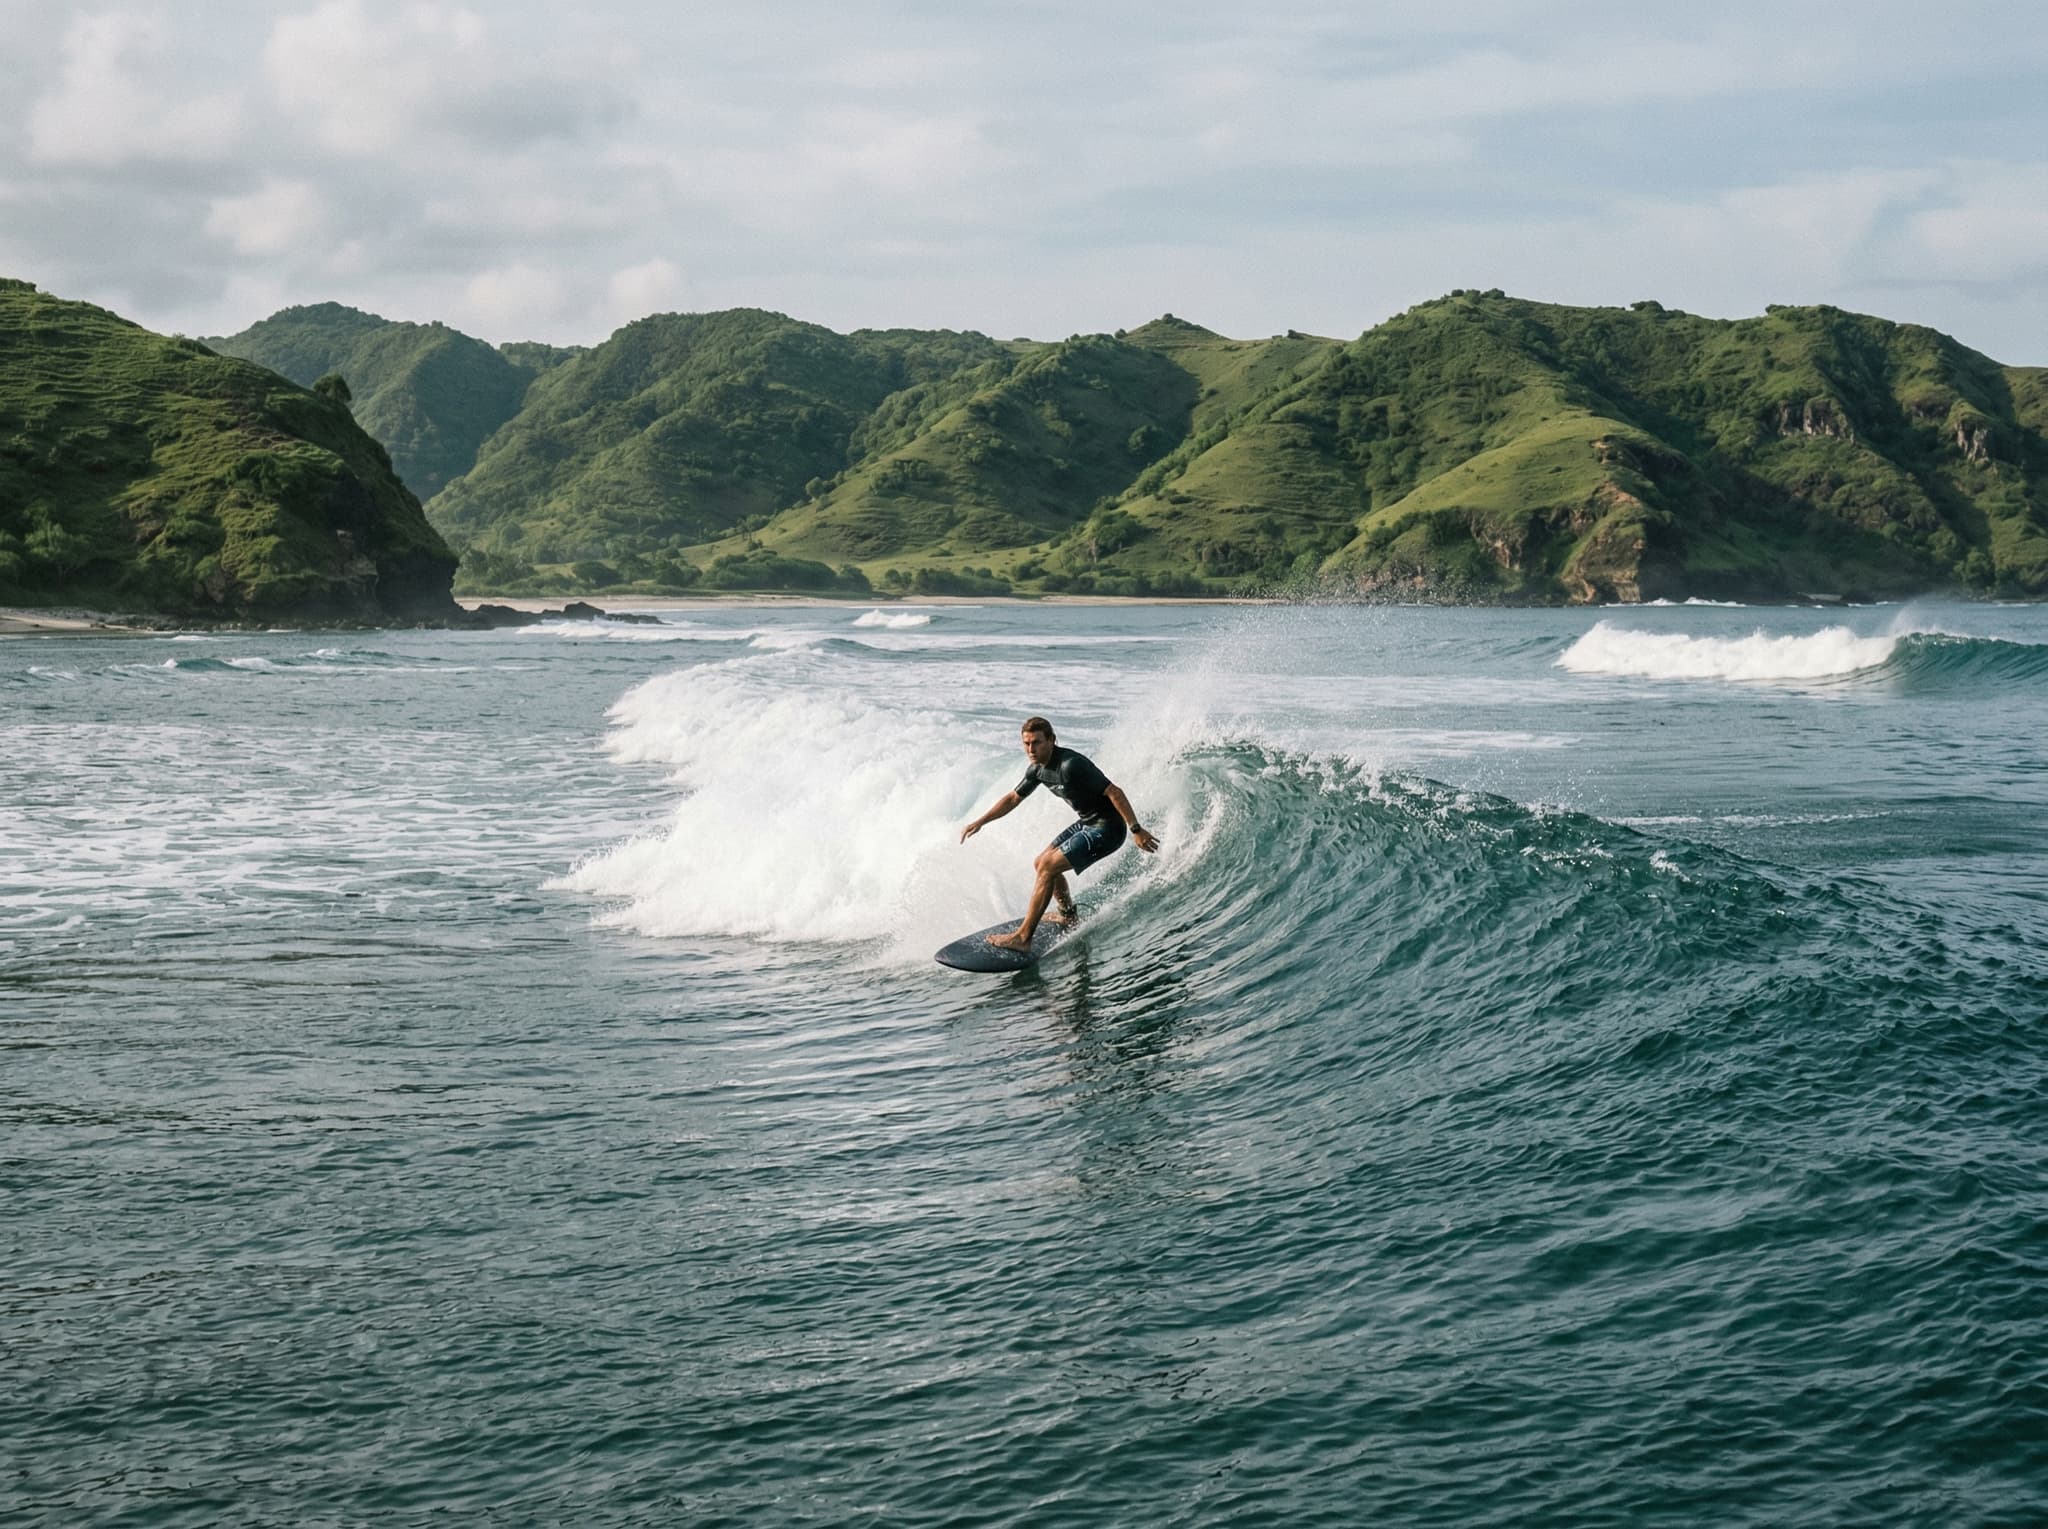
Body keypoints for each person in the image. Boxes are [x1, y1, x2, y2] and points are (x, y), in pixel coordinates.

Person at [959, 715, 1160, 951]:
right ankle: (1067, 915)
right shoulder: (1037, 770)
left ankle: (1023, 938)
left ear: (1052, 740)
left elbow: (1114, 791)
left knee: (1048, 866)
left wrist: (1136, 829)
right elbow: (1014, 798)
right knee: (1040, 863)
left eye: (1036, 742)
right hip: (1088, 822)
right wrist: (981, 821)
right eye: (1026, 744)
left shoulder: (1071, 764)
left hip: (1109, 829)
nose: (1031, 749)